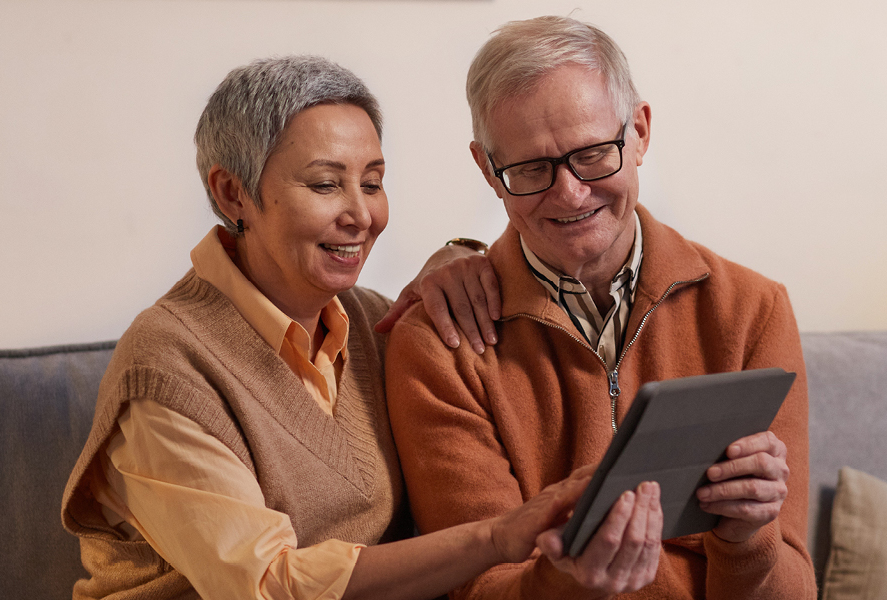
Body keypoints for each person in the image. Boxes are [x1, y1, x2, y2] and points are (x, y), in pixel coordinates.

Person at [60, 55, 594, 600]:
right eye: (325, 185)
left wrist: (466, 257)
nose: (361, 215)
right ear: (231, 194)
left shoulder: (374, 324)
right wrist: (497, 538)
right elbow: (268, 587)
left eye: (373, 182)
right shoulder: (166, 365)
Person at [384, 16, 818, 599]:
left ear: (638, 131)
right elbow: (477, 585)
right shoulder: (440, 342)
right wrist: (569, 583)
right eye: (531, 169)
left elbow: (793, 589)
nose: (569, 193)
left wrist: (747, 541)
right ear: (489, 170)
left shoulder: (752, 311)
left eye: (592, 154)